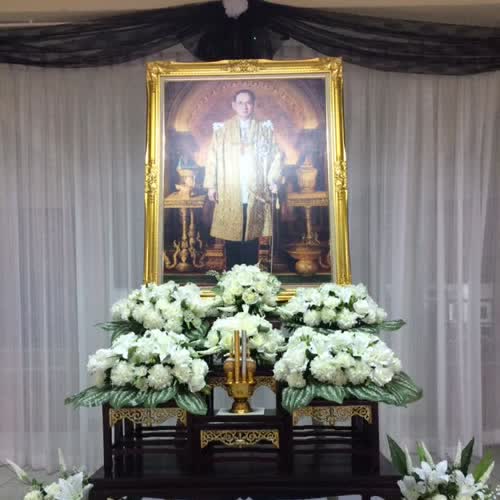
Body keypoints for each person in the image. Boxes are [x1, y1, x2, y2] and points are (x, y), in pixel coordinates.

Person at [203, 89, 282, 269]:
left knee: (252, 233)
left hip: (255, 188)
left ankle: (250, 277)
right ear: (234, 105)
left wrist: (272, 179)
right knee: (232, 233)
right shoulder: (222, 130)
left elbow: (275, 156)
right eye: (240, 102)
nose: (244, 106)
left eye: (248, 103)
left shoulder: (264, 129)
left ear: (253, 105)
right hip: (230, 187)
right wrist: (211, 186)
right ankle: (233, 277)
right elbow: (212, 158)